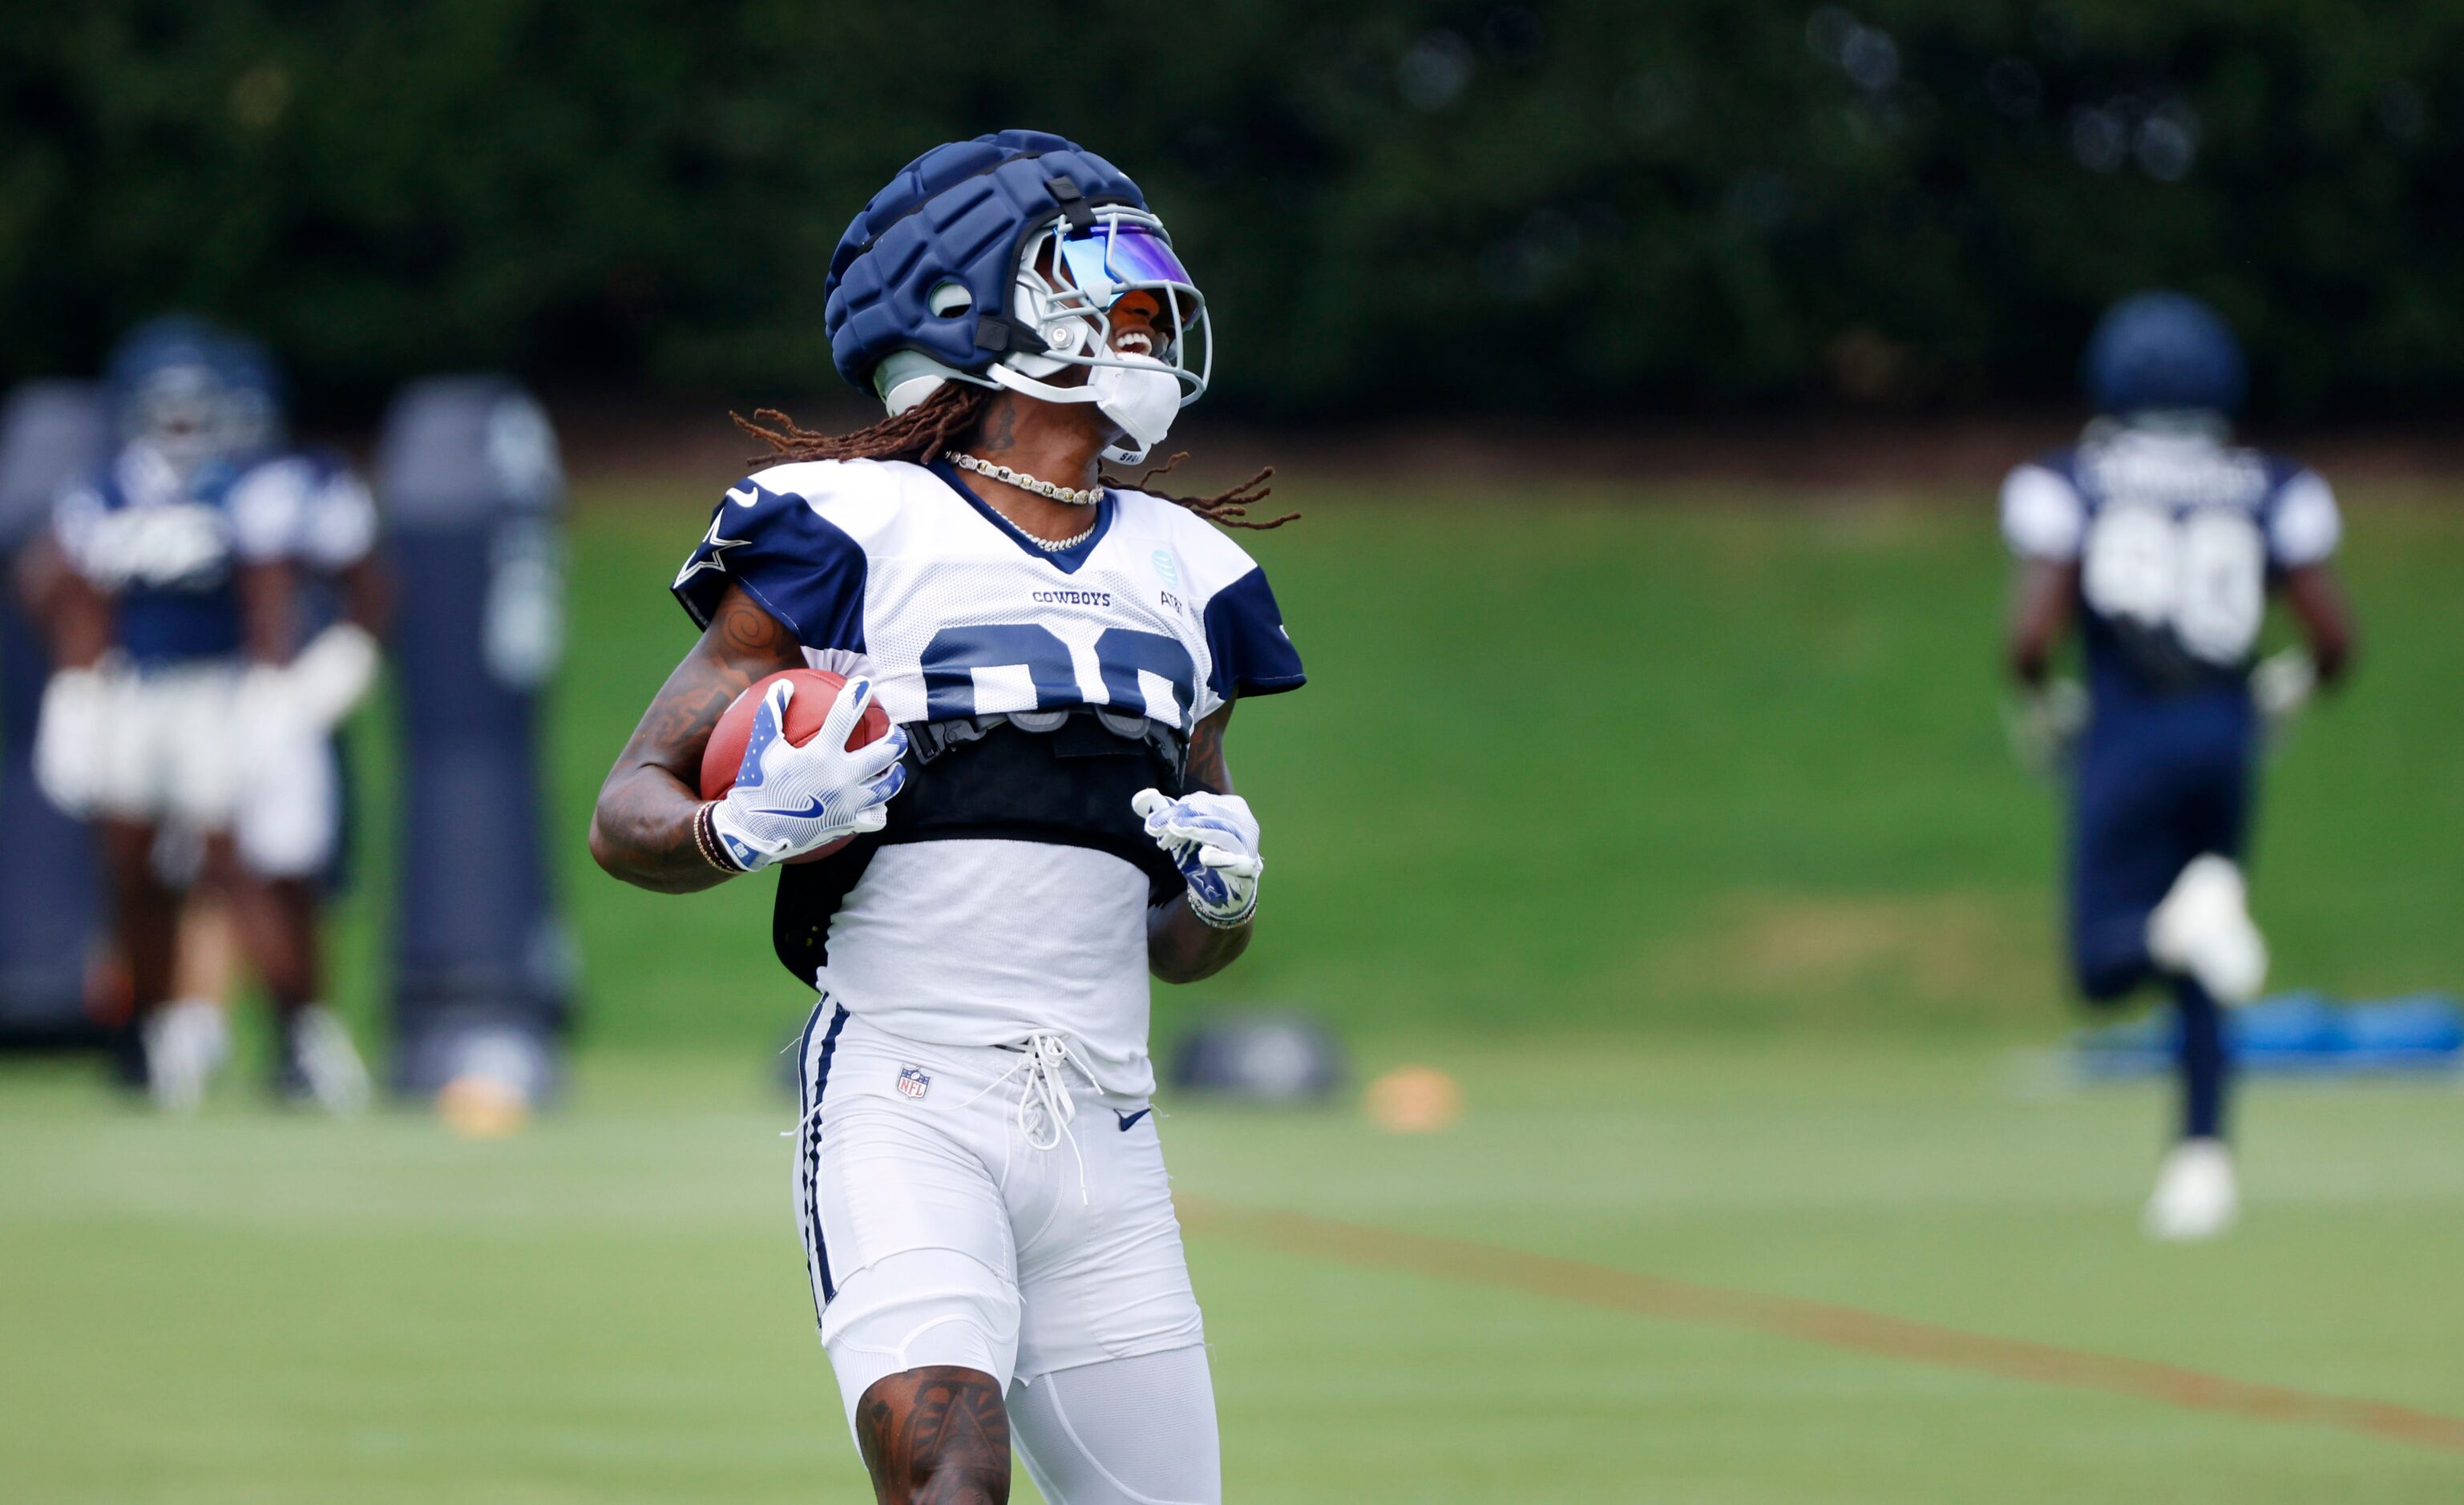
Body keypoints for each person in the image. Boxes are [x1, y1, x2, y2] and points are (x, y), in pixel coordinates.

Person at [589, 131, 1302, 1504]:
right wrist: (741, 827)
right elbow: (627, 812)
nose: (1146, 301)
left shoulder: (1193, 574)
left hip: (1102, 1123)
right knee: (948, 1484)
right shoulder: (851, 524)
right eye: (1107, 268)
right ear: (968, 298)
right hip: (905, 1098)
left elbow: (1177, 948)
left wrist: (1221, 900)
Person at [2001, 292, 2355, 1241]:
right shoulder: (2272, 484)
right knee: (2207, 947)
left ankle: (2174, 928)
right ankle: (2201, 1163)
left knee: (2105, 961)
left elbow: (2028, 634)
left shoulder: (2071, 479)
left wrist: (2040, 698)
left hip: (2127, 726)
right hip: (2224, 730)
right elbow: (2332, 637)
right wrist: (2288, 691)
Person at [32, 317, 375, 1111]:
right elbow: (61, 587)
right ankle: (142, 1035)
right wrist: (77, 687)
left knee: (242, 863)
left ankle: (296, 1038)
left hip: (225, 693)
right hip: (136, 691)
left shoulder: (257, 486)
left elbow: (290, 585)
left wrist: (319, 668)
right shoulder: (103, 488)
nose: (181, 427)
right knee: (131, 871)